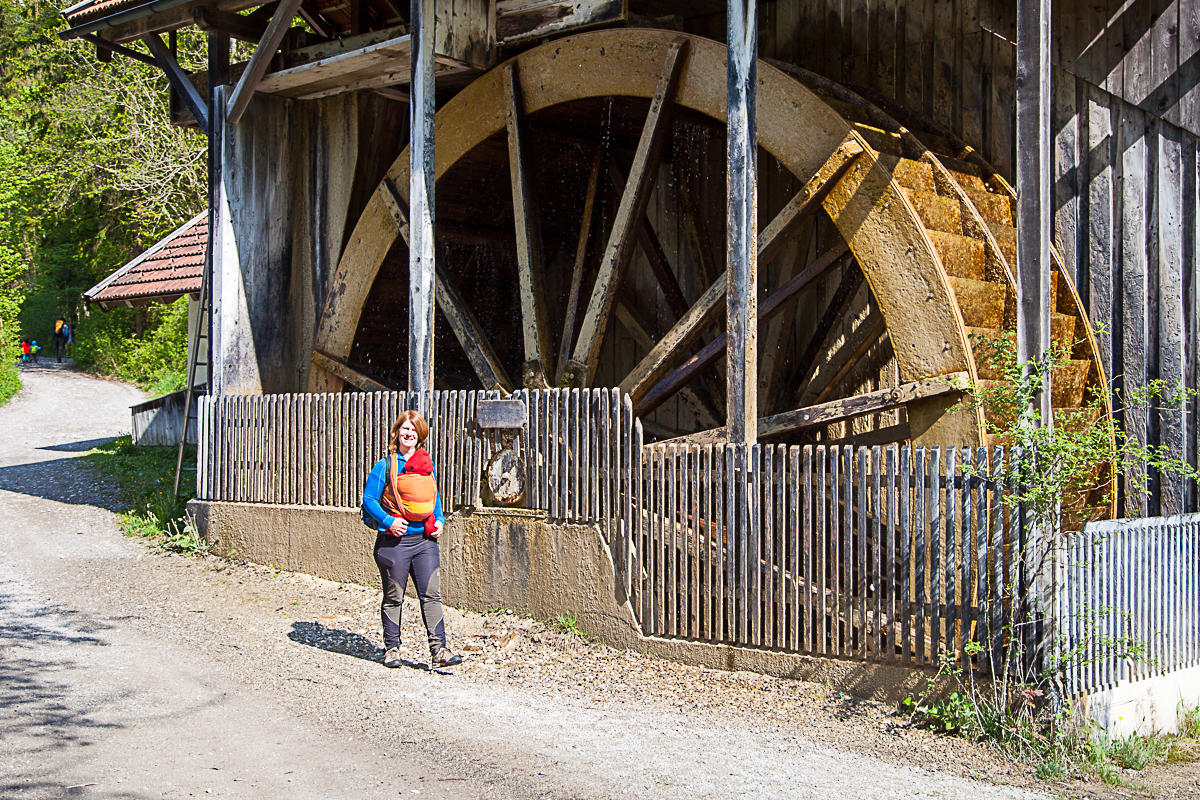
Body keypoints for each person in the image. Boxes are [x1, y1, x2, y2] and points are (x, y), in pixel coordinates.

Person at [361, 410, 463, 669]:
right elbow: (369, 500)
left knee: (431, 595)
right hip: (394, 543)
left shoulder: (427, 465)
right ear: (397, 433)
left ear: (420, 436)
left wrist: (439, 519)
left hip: (424, 542)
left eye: (413, 430)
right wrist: (389, 522)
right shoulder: (385, 465)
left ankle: (439, 650)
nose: (408, 434)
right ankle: (392, 649)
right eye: (404, 429)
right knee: (394, 596)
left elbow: (434, 499)